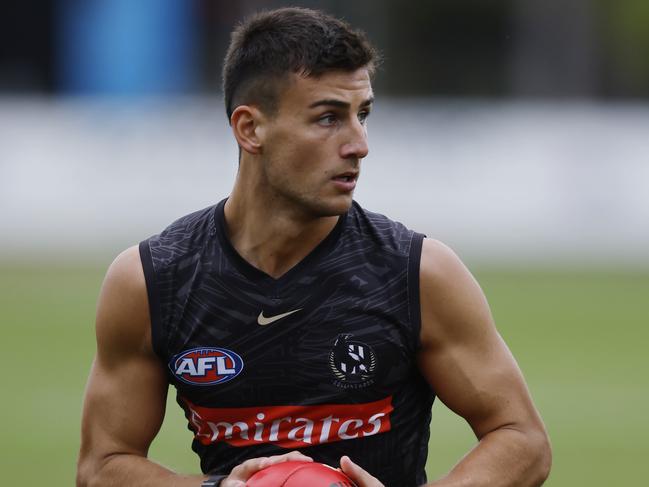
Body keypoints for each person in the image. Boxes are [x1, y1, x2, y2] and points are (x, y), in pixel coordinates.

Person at [76, 7, 551, 487]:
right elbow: (102, 465)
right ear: (250, 129)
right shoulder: (153, 281)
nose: (359, 144)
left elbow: (522, 440)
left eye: (362, 114)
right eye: (328, 118)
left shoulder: (419, 274)